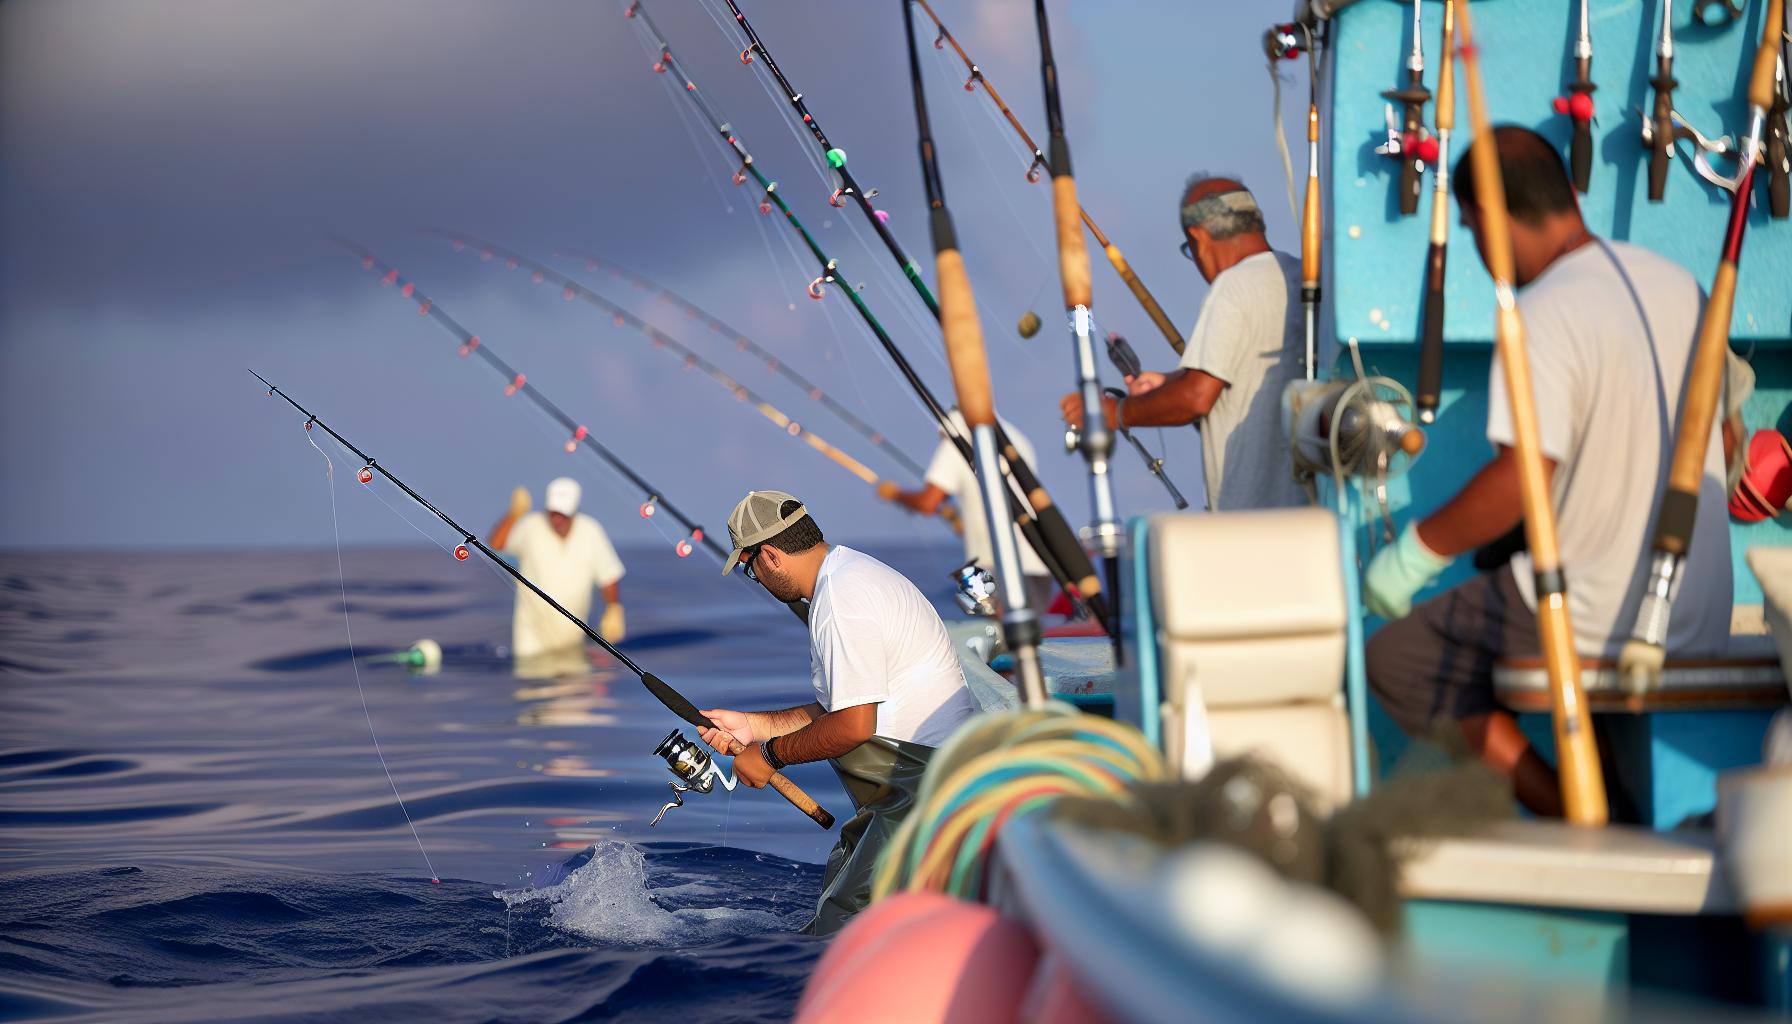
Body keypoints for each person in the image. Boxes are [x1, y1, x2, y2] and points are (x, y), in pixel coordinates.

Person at [1362, 126, 1732, 816]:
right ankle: (1612, 805)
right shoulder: (1677, 284)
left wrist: (1412, 556)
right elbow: (1730, 437)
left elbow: (1520, 479)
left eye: (1473, 229)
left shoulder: (1541, 311)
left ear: (1499, 219)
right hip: (1696, 608)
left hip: (1590, 614)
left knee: (1398, 658)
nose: (1479, 252)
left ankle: (1576, 813)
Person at [700, 490, 977, 933]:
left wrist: (768, 757)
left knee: (842, 925)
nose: (759, 580)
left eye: (751, 570)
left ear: (770, 556)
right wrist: (753, 727)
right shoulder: (850, 575)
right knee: (838, 887)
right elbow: (841, 708)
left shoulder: (841, 602)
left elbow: (852, 727)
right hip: (920, 780)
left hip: (925, 789)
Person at [1059, 174, 1307, 511]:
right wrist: (1167, 383)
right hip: (1309, 518)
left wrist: (1114, 413)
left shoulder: (1233, 287)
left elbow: (1196, 397)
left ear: (1198, 237)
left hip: (1253, 525)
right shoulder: (1298, 276)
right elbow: (1247, 372)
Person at [882, 409, 1057, 613]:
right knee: (1030, 631)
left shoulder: (958, 441)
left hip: (991, 564)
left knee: (997, 628)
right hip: (1038, 560)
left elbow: (927, 503)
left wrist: (895, 494)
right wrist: (956, 519)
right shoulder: (1015, 438)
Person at [490, 477, 626, 670]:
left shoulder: (591, 531)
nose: (557, 520)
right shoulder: (530, 526)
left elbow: (608, 574)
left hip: (573, 643)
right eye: (553, 514)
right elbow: (496, 544)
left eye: (563, 515)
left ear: (574, 511)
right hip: (531, 643)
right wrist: (514, 514)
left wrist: (613, 608)